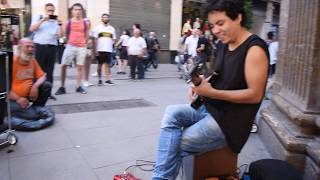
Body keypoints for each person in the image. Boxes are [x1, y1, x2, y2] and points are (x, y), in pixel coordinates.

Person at [152, 0, 269, 179]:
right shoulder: (223, 44)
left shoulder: (254, 49)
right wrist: (199, 84)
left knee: (176, 143)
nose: (215, 30)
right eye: (213, 25)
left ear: (238, 17)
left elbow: (255, 95)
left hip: (230, 124)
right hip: (210, 108)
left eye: (220, 23)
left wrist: (211, 93)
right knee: (171, 114)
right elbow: (218, 75)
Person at [29, 3, 63, 100]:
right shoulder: (39, 17)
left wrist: (60, 24)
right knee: (39, 71)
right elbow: (32, 29)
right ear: (45, 10)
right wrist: (43, 20)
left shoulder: (55, 21)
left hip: (52, 47)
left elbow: (60, 35)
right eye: (49, 10)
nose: (50, 12)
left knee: (49, 71)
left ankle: (48, 93)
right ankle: (37, 92)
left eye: (52, 10)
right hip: (40, 47)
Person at [55, 3, 90, 95]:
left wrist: (85, 46)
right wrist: (59, 25)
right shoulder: (68, 22)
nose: (78, 11)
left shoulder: (85, 23)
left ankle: (78, 87)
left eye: (79, 9)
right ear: (72, 11)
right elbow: (63, 35)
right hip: (70, 46)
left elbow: (87, 36)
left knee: (79, 67)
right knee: (63, 66)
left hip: (82, 47)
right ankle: (62, 87)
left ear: (82, 11)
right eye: (75, 9)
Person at [9, 38, 51, 110]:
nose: (31, 49)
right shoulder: (10, 62)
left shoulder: (32, 60)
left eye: (32, 47)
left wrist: (35, 86)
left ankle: (36, 109)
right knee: (17, 109)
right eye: (27, 46)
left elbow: (43, 76)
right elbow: (3, 89)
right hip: (13, 98)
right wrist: (18, 99)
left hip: (30, 95)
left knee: (47, 85)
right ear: (19, 48)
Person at [92, 13, 116, 85]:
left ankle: (107, 79)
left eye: (106, 17)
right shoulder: (97, 28)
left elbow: (114, 39)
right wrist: (95, 49)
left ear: (109, 19)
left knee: (107, 65)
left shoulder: (112, 29)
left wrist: (110, 44)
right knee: (99, 65)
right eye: (104, 17)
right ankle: (99, 79)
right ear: (102, 19)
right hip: (100, 50)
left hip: (108, 50)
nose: (105, 18)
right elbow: (95, 39)